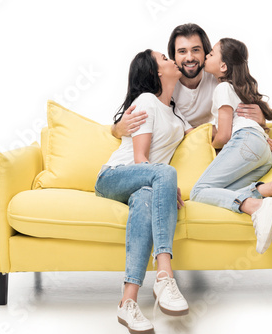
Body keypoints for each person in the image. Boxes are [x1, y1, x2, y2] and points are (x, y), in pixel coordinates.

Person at [95, 49, 192, 334]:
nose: (172, 59)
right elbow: (140, 158)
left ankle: (128, 302)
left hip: (145, 184)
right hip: (114, 176)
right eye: (164, 58)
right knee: (165, 172)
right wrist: (165, 179)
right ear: (155, 72)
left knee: (147, 200)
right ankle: (164, 274)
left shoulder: (175, 114)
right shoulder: (147, 101)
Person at [190, 38, 272, 254]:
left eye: (212, 53)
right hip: (262, 151)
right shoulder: (236, 89)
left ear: (223, 66)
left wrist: (209, 144)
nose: (207, 55)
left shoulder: (223, 88)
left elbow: (225, 135)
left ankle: (258, 206)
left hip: (245, 143)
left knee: (199, 191)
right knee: (222, 192)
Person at [111, 23, 272, 152]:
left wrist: (261, 119)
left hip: (210, 139)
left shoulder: (218, 78)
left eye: (196, 50)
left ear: (206, 53)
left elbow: (244, 96)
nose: (190, 58)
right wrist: (118, 129)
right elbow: (128, 115)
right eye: (182, 51)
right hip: (177, 143)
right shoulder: (164, 85)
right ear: (173, 56)